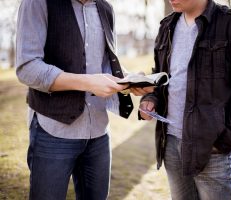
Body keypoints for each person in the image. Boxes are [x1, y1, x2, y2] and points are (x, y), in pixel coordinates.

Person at [16, 0, 152, 199]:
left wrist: (130, 80)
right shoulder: (37, 3)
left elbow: (103, 65)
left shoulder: (106, 8)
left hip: (98, 132)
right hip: (53, 130)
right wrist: (88, 82)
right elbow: (27, 68)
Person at [139, 0, 231, 199]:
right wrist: (151, 97)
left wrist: (226, 141)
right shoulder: (166, 26)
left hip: (213, 148)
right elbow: (160, 75)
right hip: (171, 144)